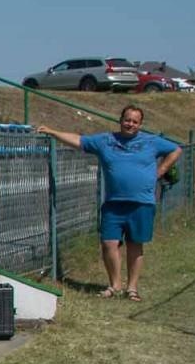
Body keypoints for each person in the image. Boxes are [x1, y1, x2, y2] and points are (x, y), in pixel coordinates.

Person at [38, 106, 181, 300]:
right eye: (127, 120)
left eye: (135, 121)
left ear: (140, 124)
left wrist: (161, 171)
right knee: (108, 243)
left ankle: (132, 288)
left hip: (142, 203)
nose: (130, 124)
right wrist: (53, 132)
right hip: (114, 203)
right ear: (120, 120)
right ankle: (114, 285)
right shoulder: (105, 141)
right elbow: (79, 140)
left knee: (135, 245)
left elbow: (175, 149)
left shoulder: (151, 142)